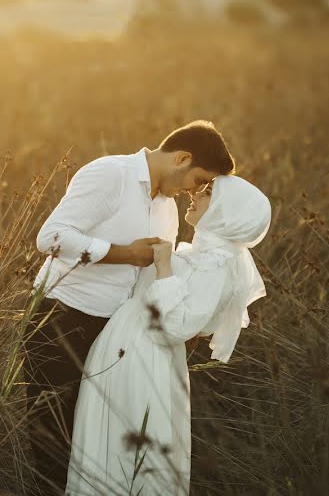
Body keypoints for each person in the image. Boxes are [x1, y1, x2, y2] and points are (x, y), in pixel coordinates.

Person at [22, 120, 235, 495]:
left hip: (114, 337)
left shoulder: (167, 210)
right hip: (61, 321)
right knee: (52, 440)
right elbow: (51, 237)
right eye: (198, 179)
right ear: (182, 158)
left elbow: (151, 276)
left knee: (93, 447)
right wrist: (123, 254)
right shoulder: (111, 174)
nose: (194, 191)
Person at [65, 175, 271, 495]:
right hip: (125, 350)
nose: (196, 195)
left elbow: (173, 329)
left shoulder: (218, 265)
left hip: (144, 361)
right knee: (105, 448)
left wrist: (163, 267)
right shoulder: (202, 254)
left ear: (226, 212)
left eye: (208, 194)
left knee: (127, 451)